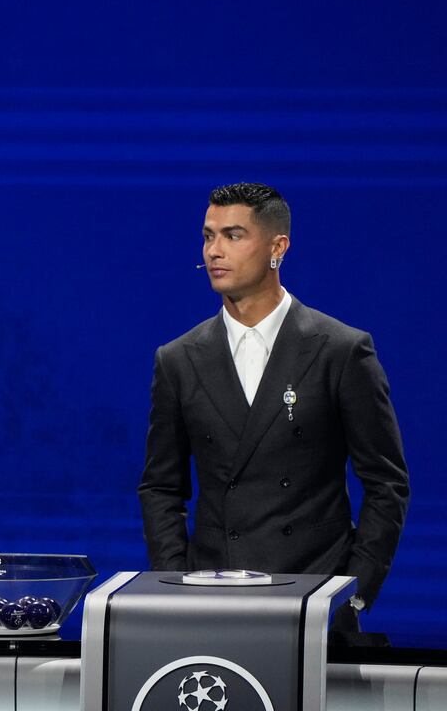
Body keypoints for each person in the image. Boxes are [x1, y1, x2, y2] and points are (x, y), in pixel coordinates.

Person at [138, 182, 409, 625]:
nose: (214, 251)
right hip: (211, 597)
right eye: (208, 236)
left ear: (277, 247)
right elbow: (160, 487)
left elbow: (386, 483)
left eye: (234, 235)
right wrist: (175, 584)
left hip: (311, 595)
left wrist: (353, 594)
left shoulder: (340, 350)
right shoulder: (178, 359)